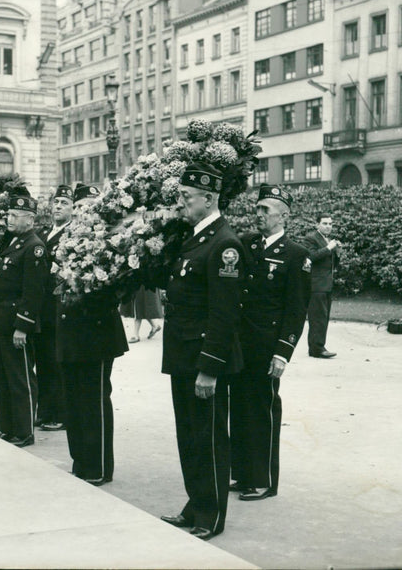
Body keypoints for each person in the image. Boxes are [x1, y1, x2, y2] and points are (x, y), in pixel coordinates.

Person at [158, 162, 244, 541]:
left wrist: (209, 368)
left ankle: (211, 515)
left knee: (208, 437)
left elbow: (224, 314)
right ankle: (196, 503)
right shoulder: (195, 238)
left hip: (202, 358)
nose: (182, 203)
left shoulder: (224, 244)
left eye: (187, 197)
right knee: (188, 435)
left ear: (209, 199)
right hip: (182, 353)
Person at [230, 185, 311, 502]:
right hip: (240, 343)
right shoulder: (245, 245)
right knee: (239, 407)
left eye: (266, 209)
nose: (259, 213)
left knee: (261, 410)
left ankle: (263, 480)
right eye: (258, 207)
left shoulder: (295, 255)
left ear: (284, 216)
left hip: (267, 347)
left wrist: (283, 352)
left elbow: (296, 309)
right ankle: (242, 474)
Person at [57, 183, 128, 485]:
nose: (85, 210)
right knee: (73, 399)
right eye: (81, 205)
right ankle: (80, 460)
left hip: (97, 331)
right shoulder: (67, 237)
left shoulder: (110, 238)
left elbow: (119, 287)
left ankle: (98, 465)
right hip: (70, 328)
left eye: (90, 204)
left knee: (95, 398)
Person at [0, 194, 47, 447]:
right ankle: (8, 427)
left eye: (14, 215)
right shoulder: (14, 243)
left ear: (30, 219)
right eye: (8, 214)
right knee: (3, 376)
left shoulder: (34, 247)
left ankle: (24, 431)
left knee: (20, 377)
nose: (8, 218)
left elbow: (33, 292)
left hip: (14, 324)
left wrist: (22, 326)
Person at [34, 184, 74, 432]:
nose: (58, 206)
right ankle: (45, 409)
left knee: (57, 359)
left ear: (72, 209)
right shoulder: (45, 232)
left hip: (60, 304)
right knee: (43, 358)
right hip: (43, 306)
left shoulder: (72, 234)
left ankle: (59, 413)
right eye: (56, 202)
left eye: (63, 203)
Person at [303, 214, 342, 359]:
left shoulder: (327, 240)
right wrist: (328, 248)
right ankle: (316, 349)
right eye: (325, 223)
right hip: (316, 284)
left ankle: (318, 347)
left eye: (330, 224)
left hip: (326, 284)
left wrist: (337, 253)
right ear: (317, 225)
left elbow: (330, 265)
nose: (328, 226)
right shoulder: (311, 238)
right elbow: (310, 257)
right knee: (317, 317)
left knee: (323, 317)